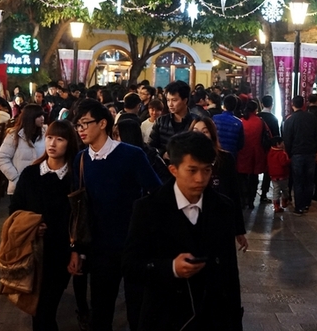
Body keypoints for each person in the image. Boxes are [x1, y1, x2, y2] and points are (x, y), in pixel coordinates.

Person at [123, 131, 244, 331]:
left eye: (207, 170)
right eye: (192, 170)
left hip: (212, 316)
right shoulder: (148, 208)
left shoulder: (223, 207)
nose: (200, 178)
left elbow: (229, 271)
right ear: (173, 169)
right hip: (166, 316)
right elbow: (130, 265)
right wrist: (171, 268)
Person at [68, 99, 161, 331]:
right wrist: (77, 249)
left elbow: (157, 193)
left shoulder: (131, 155)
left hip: (133, 246)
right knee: (101, 312)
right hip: (99, 249)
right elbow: (78, 210)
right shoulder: (80, 159)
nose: (81, 130)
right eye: (77, 125)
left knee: (138, 313)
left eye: (85, 124)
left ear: (102, 124)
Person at [10, 120, 80, 331]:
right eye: (49, 137)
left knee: (46, 308)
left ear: (69, 143)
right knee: (37, 310)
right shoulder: (31, 174)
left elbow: (79, 218)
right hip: (32, 252)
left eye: (60, 139)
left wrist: (76, 252)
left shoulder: (74, 178)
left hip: (60, 253)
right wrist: (30, 225)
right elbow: (15, 209)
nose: (53, 143)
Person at [189, 116, 246, 243]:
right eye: (195, 131)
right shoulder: (186, 161)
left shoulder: (225, 159)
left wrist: (239, 230)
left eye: (205, 131)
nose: (200, 135)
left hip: (220, 219)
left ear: (212, 134)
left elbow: (234, 194)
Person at [281, 95, 317, 215]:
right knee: (309, 180)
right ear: (304, 104)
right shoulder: (311, 118)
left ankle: (299, 206)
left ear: (292, 105)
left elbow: (287, 139)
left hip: (297, 154)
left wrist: (289, 153)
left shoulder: (290, 120)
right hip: (310, 153)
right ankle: (307, 203)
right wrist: (314, 149)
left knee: (298, 180)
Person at [0, 103, 46, 195]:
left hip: (41, 186)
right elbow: (2, 158)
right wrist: (15, 177)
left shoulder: (46, 134)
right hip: (19, 186)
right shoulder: (14, 135)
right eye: (38, 116)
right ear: (30, 117)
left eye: (43, 115)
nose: (42, 118)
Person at [149, 81, 194, 157]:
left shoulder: (196, 122)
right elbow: (150, 146)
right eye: (168, 100)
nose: (170, 104)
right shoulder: (161, 121)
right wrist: (163, 153)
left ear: (185, 100)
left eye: (174, 100)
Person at [236, 100, 267, 209]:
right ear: (255, 109)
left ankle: (243, 200)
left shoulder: (241, 121)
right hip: (256, 154)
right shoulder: (260, 121)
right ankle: (251, 201)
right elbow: (268, 136)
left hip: (242, 153)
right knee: (254, 179)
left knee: (242, 178)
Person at [256, 95, 281, 204]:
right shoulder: (274, 119)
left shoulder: (257, 117)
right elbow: (277, 136)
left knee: (255, 169)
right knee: (267, 171)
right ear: (272, 104)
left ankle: (252, 192)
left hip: (257, 147)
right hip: (269, 148)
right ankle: (264, 193)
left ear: (261, 104)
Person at [213, 95, 245, 160]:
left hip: (216, 153)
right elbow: (240, 144)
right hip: (231, 156)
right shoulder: (239, 122)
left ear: (224, 105)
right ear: (235, 107)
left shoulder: (215, 118)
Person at [266, 135, 290, 213]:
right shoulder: (281, 153)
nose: (284, 144)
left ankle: (276, 206)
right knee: (285, 190)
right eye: (282, 143)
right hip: (282, 175)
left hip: (273, 176)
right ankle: (284, 202)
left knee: (276, 191)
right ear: (278, 144)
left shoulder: (270, 152)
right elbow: (284, 163)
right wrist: (290, 161)